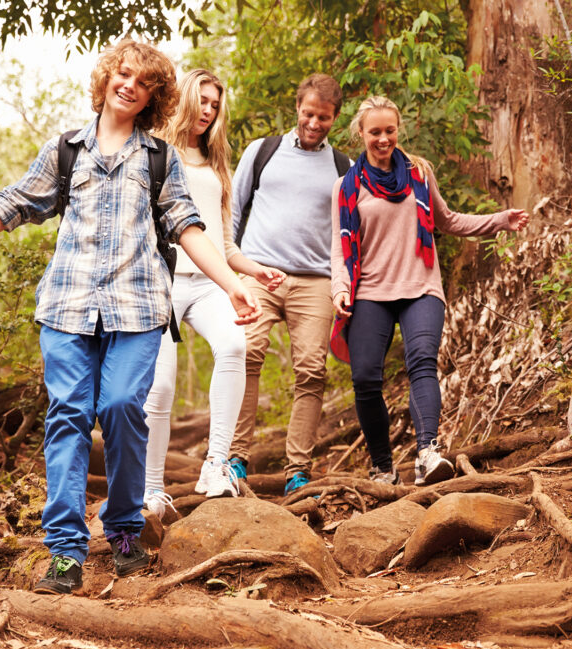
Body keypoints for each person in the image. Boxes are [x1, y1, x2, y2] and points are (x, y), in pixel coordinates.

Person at [0, 40, 260, 593]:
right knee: (68, 415)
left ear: (154, 98)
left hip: (137, 310)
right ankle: (65, 551)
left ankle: (124, 529)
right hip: (67, 309)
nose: (130, 85)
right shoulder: (65, 150)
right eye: (123, 74)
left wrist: (232, 285)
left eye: (144, 82)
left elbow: (188, 228)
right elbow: (7, 208)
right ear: (107, 77)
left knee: (121, 407)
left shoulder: (159, 160)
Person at [330, 95, 529, 486]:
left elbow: (448, 220)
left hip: (420, 285)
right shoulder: (346, 187)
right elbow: (340, 245)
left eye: (390, 131)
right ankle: (382, 467)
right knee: (366, 378)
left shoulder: (418, 174)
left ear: (398, 130)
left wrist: (499, 220)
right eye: (375, 132)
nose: (383, 139)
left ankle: (427, 453)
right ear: (361, 134)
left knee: (422, 362)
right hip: (369, 291)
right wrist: (339, 288)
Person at [142, 69, 285, 513]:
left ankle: (216, 465)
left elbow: (223, 244)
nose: (208, 110)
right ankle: (150, 489)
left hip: (209, 282)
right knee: (161, 386)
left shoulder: (217, 164)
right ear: (185, 98)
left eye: (215, 105)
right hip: (161, 280)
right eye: (202, 100)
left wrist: (255, 271)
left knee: (235, 345)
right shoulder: (154, 151)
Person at [229, 74, 351, 495]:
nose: (314, 123)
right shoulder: (262, 151)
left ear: (335, 118)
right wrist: (230, 271)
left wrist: (343, 283)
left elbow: (348, 233)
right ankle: (234, 459)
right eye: (308, 113)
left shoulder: (343, 168)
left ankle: (298, 472)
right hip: (258, 272)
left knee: (312, 372)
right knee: (245, 354)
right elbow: (233, 211)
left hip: (315, 281)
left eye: (324, 117)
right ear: (297, 108)